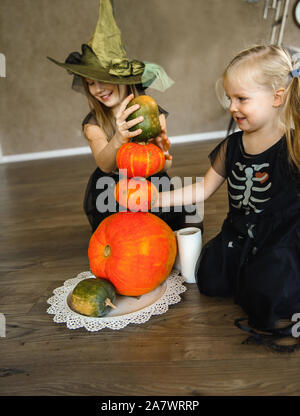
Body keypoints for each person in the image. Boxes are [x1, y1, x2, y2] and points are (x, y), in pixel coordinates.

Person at [155, 44, 300, 351]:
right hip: (239, 232)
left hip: (280, 237)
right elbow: (202, 190)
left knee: (269, 291)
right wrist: (154, 199)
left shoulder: (293, 142)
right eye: (230, 98)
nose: (232, 107)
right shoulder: (231, 146)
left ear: (278, 97)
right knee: (208, 279)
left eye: (242, 99)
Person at [48, 0, 201, 232]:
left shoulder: (151, 111)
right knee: (124, 232)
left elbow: (165, 167)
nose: (98, 88)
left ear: (121, 77)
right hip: (112, 189)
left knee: (161, 227)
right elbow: (105, 164)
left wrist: (165, 153)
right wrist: (119, 137)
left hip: (150, 185)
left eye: (104, 79)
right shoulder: (94, 124)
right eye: (90, 83)